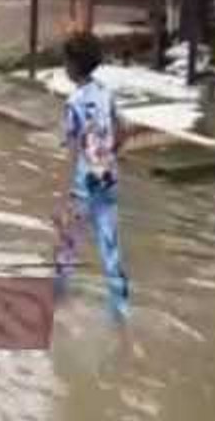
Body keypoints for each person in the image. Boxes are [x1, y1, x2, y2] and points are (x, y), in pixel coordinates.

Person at [53, 32, 130, 320]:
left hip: (83, 186)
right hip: (108, 180)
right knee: (110, 247)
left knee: (67, 247)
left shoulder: (73, 103)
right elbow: (123, 129)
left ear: (72, 65)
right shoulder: (105, 92)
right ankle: (120, 312)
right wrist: (110, 155)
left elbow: (72, 154)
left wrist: (62, 202)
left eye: (65, 61)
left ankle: (56, 302)